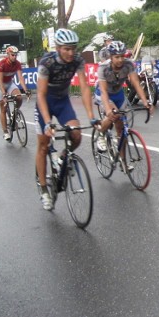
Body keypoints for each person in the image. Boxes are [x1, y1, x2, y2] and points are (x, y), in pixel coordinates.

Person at [35, 28, 99, 211]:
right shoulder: (46, 62)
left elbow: (85, 86)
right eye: (66, 49)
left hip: (62, 102)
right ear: (57, 47)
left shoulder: (78, 60)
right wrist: (47, 122)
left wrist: (91, 117)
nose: (71, 53)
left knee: (76, 135)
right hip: (45, 102)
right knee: (43, 145)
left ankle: (63, 157)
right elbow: (40, 94)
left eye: (73, 48)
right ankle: (44, 189)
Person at [96, 41, 154, 162]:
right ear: (111, 57)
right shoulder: (103, 68)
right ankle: (100, 134)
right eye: (117, 57)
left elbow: (136, 84)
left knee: (122, 130)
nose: (120, 59)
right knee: (114, 114)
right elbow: (103, 92)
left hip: (118, 94)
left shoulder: (128, 65)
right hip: (103, 93)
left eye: (122, 56)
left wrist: (145, 101)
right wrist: (108, 109)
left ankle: (123, 161)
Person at [0, 46, 30, 141]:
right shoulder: (2, 64)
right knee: (3, 108)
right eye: (12, 55)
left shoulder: (17, 64)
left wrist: (26, 90)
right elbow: (0, 81)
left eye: (16, 55)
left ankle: (15, 112)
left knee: (19, 97)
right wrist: (4, 93)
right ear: (8, 55)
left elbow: (20, 78)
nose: (14, 57)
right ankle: (5, 132)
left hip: (9, 83)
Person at [93, 33, 114, 109]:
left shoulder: (114, 49)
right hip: (104, 66)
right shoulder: (103, 51)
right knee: (100, 79)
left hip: (114, 66)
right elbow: (103, 61)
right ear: (105, 42)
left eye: (111, 41)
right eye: (108, 41)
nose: (110, 42)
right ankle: (97, 95)